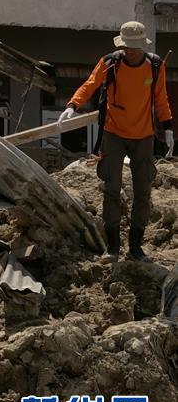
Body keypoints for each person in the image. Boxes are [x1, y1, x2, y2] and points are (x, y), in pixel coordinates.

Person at [58, 21, 173, 263]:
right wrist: (73, 105)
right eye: (126, 46)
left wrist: (168, 128)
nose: (130, 51)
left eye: (134, 46)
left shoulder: (155, 66)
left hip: (143, 136)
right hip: (114, 134)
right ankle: (112, 248)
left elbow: (161, 99)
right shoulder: (111, 62)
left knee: (143, 192)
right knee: (111, 189)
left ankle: (136, 248)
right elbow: (90, 84)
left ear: (142, 45)